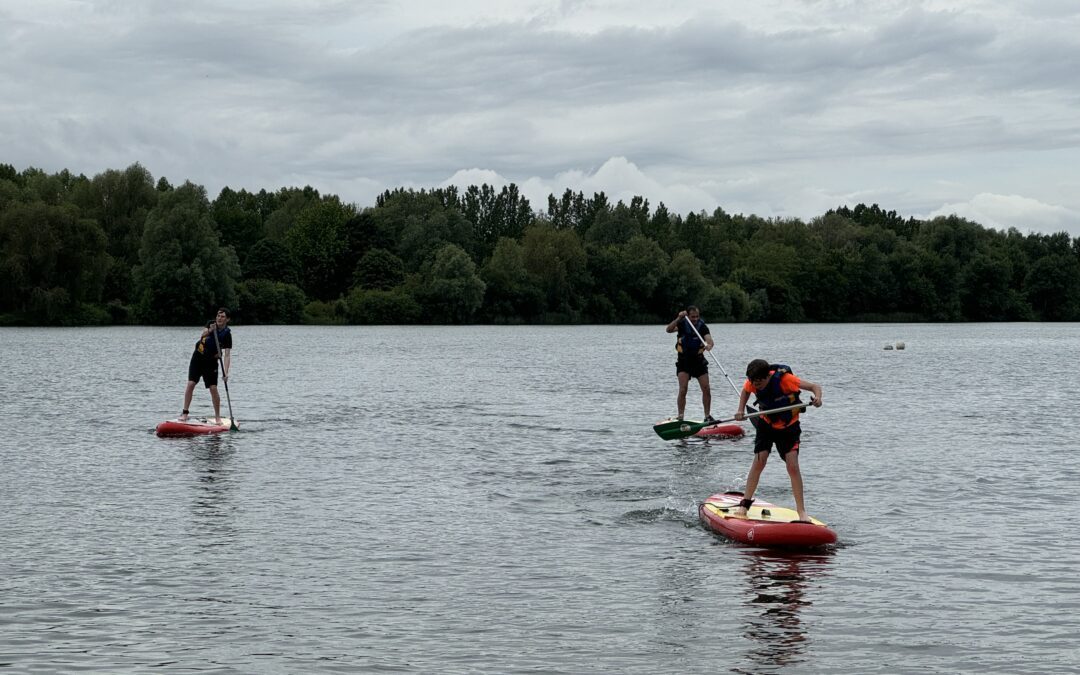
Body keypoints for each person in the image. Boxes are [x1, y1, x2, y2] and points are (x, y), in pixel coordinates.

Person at [734, 359, 823, 522]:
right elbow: (745, 391)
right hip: (766, 423)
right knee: (760, 461)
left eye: (759, 383)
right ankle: (744, 504)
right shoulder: (752, 382)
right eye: (753, 382)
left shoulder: (786, 380)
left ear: (767, 376)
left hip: (789, 426)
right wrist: (740, 410)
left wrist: (817, 399)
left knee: (793, 466)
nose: (756, 386)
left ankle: (802, 512)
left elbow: (814, 387)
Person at [179, 307, 232, 423]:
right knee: (191, 383)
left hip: (211, 362)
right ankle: (185, 413)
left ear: (227, 319)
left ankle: (217, 417)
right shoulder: (211, 324)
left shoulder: (227, 334)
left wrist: (226, 373)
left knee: (213, 388)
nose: (219, 318)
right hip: (198, 358)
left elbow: (227, 355)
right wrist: (210, 331)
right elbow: (202, 335)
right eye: (218, 315)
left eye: (222, 317)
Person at [665, 305, 715, 423]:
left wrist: (709, 345)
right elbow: (668, 329)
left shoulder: (702, 326)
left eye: (697, 316)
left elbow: (709, 340)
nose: (695, 319)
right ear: (688, 315)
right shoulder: (682, 323)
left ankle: (707, 416)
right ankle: (681, 416)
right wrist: (678, 318)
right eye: (693, 317)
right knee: (683, 389)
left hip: (699, 361)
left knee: (706, 388)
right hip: (684, 362)